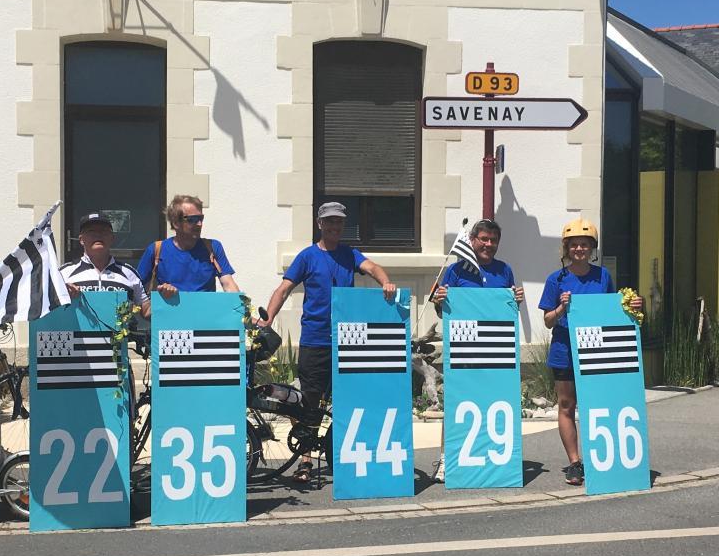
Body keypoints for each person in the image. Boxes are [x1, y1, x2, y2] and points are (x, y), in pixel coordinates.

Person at [260, 202, 397, 484]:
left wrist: (386, 282)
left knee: (349, 399)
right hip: (315, 340)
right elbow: (284, 289)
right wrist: (268, 319)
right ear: (319, 224)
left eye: (339, 222)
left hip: (348, 340)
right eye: (329, 221)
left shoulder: (349, 254)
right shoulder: (307, 256)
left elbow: (372, 267)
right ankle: (305, 460)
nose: (334, 226)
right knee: (309, 402)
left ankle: (344, 454)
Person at [538, 217, 642, 486]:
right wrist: (561, 308)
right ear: (566, 248)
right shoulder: (556, 279)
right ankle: (574, 462)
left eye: (584, 244)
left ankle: (602, 458)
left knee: (597, 404)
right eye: (574, 245)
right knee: (566, 405)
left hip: (596, 349)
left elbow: (612, 311)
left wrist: (632, 305)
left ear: (592, 248)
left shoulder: (603, 276)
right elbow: (547, 321)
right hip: (564, 350)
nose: (579, 249)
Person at [429, 217, 525, 483]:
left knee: (493, 402)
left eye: (493, 240)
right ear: (472, 240)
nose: (488, 244)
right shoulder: (455, 271)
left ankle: (491, 459)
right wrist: (439, 300)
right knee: (456, 404)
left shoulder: (504, 270)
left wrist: (516, 300)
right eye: (483, 239)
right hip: (464, 349)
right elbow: (442, 311)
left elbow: (507, 310)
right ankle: (446, 460)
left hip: (496, 350)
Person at [137, 195, 242, 295]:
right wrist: (150, 303)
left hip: (205, 308)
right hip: (171, 308)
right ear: (176, 223)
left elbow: (228, 285)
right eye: (193, 219)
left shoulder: (213, 248)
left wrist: (242, 306)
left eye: (201, 218)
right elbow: (136, 288)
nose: (199, 224)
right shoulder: (156, 250)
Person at [62, 212, 153, 317]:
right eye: (91, 231)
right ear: (81, 240)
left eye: (104, 231)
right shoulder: (63, 273)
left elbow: (146, 310)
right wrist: (62, 295)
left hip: (121, 329)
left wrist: (165, 299)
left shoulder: (129, 273)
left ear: (112, 238)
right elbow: (49, 308)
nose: (98, 235)